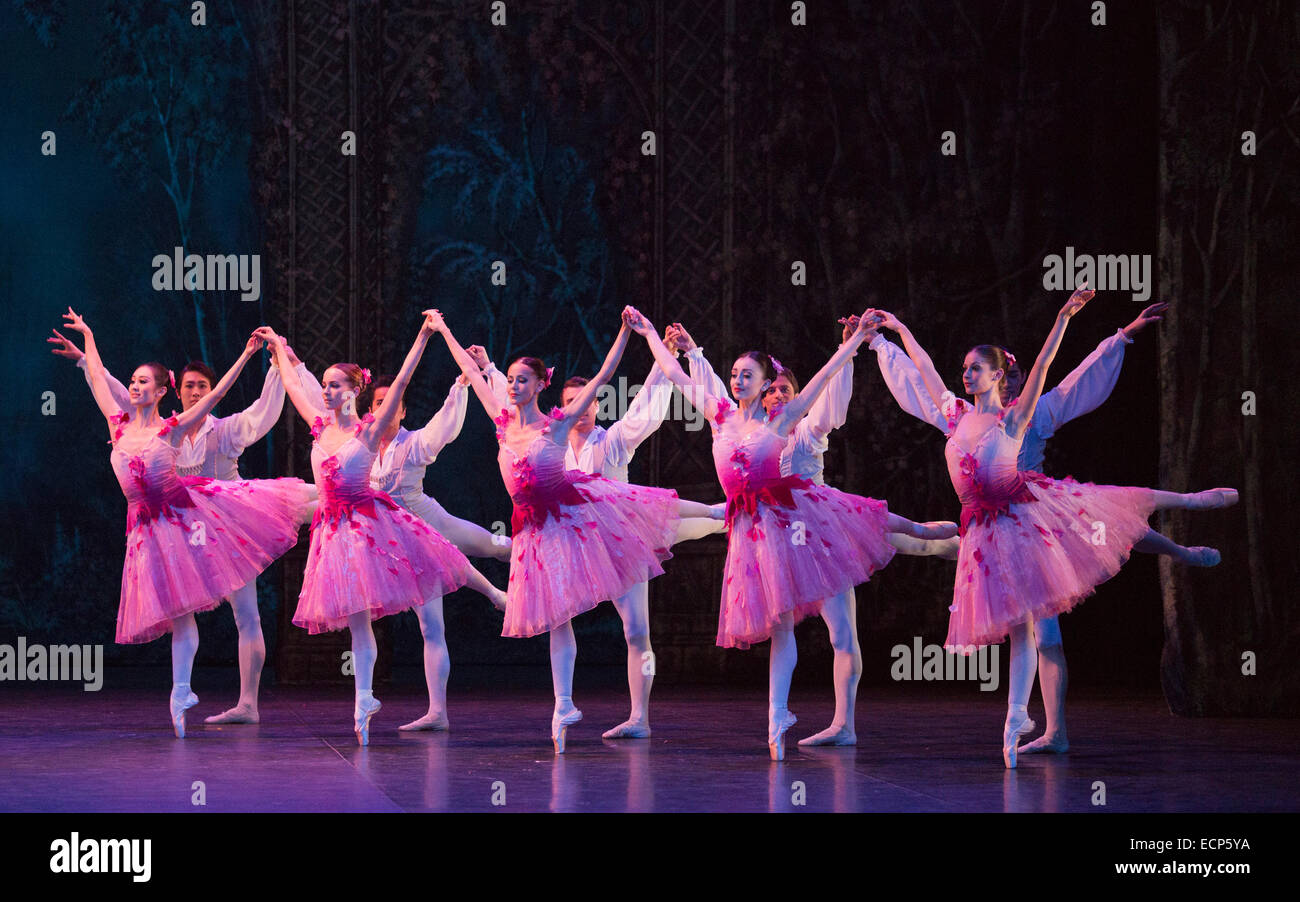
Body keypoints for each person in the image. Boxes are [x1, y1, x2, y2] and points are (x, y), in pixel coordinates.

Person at [869, 286, 1238, 766]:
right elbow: (922, 374)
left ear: (1001, 376)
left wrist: (1115, 333)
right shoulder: (955, 415)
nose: (965, 374)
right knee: (1039, 632)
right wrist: (888, 335)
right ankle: (1051, 730)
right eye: (965, 368)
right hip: (989, 529)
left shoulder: (1028, 414)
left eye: (976, 367)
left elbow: (1067, 378)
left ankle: (1186, 530)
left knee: (1117, 520)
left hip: (1035, 513)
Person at [623, 306, 957, 759]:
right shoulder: (720, 414)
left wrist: (856, 342)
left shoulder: (788, 425)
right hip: (759, 531)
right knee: (778, 624)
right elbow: (679, 376)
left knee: (861, 595)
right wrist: (649, 335)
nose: (739, 381)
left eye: (749, 376)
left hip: (812, 522)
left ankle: (933, 535)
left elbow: (824, 378)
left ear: (765, 386)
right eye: (735, 374)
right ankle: (777, 717)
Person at [427, 308, 723, 753]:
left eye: (582, 402)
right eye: (569, 401)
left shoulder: (606, 437)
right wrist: (448, 331)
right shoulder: (528, 430)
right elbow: (478, 376)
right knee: (555, 616)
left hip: (620, 535)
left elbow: (619, 382)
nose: (575, 409)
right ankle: (563, 704)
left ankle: (721, 515)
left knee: (638, 624)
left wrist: (636, 335)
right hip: (563, 538)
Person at [60, 308, 314, 738]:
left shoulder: (216, 428)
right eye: (190, 386)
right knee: (182, 613)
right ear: (175, 391)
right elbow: (113, 391)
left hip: (227, 519)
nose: (197, 392)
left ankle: (247, 703)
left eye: (203, 387)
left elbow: (261, 412)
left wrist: (270, 362)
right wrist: (87, 349)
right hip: (176, 528)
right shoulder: (148, 426)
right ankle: (182, 692)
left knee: (248, 609)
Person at [260, 315, 499, 745]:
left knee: (450, 558)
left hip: (374, 526)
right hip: (335, 536)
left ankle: (496, 592)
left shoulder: (371, 432)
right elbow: (298, 386)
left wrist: (426, 336)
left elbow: (404, 378)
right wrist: (279, 348)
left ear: (355, 393)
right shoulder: (318, 425)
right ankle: (364, 700)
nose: (328, 392)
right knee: (358, 624)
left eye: (336, 386)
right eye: (326, 385)